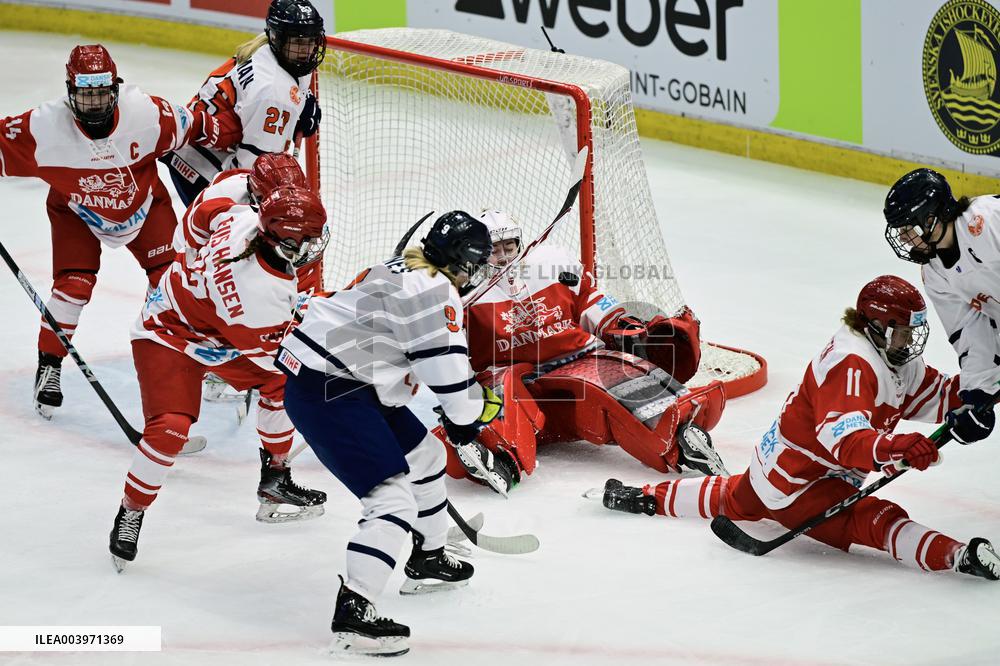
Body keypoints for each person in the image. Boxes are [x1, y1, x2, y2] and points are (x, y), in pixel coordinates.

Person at [601, 275, 999, 581]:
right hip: (804, 483)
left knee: (734, 498)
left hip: (776, 469)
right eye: (904, 332)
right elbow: (846, 441)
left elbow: (940, 395)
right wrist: (898, 449)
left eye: (914, 331)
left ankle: (642, 497)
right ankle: (960, 556)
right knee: (876, 519)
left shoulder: (891, 357)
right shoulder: (852, 364)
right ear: (878, 326)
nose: (911, 341)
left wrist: (982, 394)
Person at [275, 211, 499, 657]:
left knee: (427, 455)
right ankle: (355, 611)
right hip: (330, 389)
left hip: (346, 379)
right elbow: (450, 381)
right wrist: (469, 418)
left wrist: (461, 412)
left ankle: (428, 557)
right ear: (465, 262)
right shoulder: (436, 293)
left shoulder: (406, 264)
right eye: (477, 264)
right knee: (392, 501)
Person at [0, 44, 237, 419]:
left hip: (144, 206)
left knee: (172, 284)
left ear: (115, 88)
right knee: (74, 286)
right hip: (76, 211)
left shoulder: (146, 113)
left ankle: (184, 360)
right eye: (85, 94)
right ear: (70, 92)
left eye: (101, 93)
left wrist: (240, 137)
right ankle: (49, 364)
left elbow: (199, 125)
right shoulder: (42, 129)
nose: (94, 103)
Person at [108, 184, 330, 573]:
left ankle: (275, 478)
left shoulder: (242, 217)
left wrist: (194, 265)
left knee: (281, 386)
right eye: (307, 239)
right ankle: (132, 510)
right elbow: (272, 358)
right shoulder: (257, 295)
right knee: (171, 428)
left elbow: (198, 217)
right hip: (169, 334)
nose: (314, 246)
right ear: (283, 240)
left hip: (215, 329)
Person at [438, 209, 726, 495]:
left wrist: (620, 323)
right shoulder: (460, 292)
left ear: (520, 244)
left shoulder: (552, 263)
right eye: (494, 250)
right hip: (511, 376)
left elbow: (589, 298)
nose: (503, 257)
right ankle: (491, 453)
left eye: (509, 247)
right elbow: (449, 352)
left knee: (617, 373)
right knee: (496, 390)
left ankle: (680, 436)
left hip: (575, 360)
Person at [175, 152, 323, 405]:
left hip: (247, 249)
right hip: (201, 268)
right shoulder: (226, 199)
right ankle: (215, 371)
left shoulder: (273, 202)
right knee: (222, 322)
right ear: (256, 193)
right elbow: (190, 246)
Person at [164, 0, 325, 207]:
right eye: (298, 42)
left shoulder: (268, 49)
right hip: (200, 165)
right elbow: (251, 173)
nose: (306, 50)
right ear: (277, 38)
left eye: (311, 41)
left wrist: (301, 104)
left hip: (204, 145)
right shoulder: (272, 94)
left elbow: (294, 83)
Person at [883, 167, 999, 442]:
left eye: (907, 228)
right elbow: (970, 333)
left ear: (930, 218)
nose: (903, 237)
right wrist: (976, 395)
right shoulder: (935, 274)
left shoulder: (989, 219)